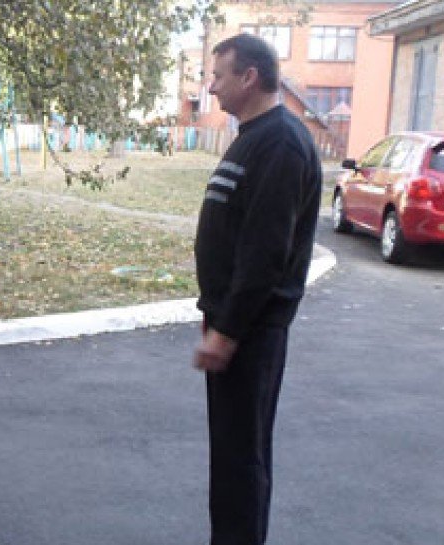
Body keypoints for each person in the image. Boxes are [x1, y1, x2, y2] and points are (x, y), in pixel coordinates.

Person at [193, 33, 321, 545]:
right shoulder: (255, 135)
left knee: (241, 457)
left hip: (249, 332)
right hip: (232, 324)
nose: (212, 85)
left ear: (249, 77)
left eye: (219, 74)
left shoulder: (282, 143)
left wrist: (226, 332)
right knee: (230, 453)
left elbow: (266, 255)